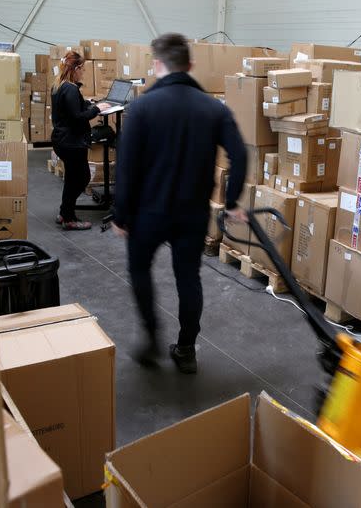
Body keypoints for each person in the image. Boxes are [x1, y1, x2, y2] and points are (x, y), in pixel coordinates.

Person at [111, 33, 247, 374]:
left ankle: (152, 336)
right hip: (192, 214)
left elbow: (125, 167)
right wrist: (230, 201)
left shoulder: (141, 107)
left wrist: (121, 214)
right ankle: (186, 348)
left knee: (140, 270)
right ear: (191, 65)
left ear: (158, 65)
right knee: (189, 277)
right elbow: (241, 154)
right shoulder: (214, 109)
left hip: (147, 214)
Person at [50, 51, 111, 230]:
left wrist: (87, 102)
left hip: (62, 140)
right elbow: (77, 117)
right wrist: (96, 109)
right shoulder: (70, 88)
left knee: (71, 178)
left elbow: (70, 108)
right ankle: (68, 218)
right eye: (82, 69)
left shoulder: (60, 84)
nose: (83, 72)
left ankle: (64, 213)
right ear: (75, 69)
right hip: (71, 142)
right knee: (81, 178)